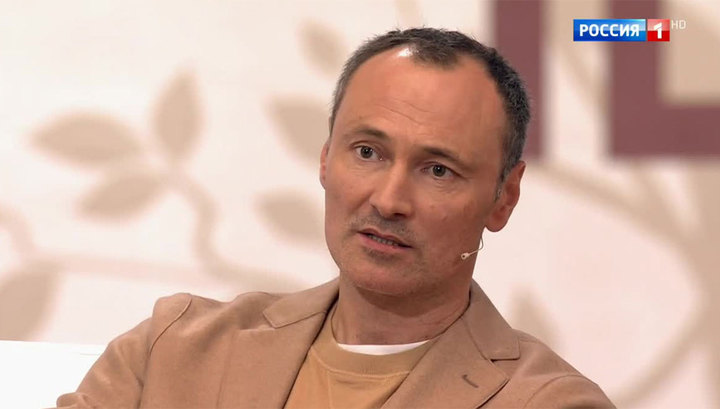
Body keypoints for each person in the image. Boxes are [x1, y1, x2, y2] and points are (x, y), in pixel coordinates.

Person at [56, 28, 614, 408]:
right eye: (368, 152)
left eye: (438, 170)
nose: (389, 200)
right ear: (325, 158)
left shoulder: (547, 401)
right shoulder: (172, 349)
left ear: (504, 198)